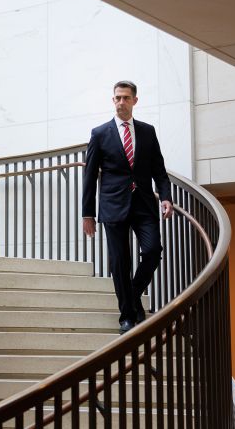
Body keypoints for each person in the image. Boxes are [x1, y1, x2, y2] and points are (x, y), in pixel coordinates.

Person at [82, 80, 173, 334]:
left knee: (153, 250)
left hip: (144, 204)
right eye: (117, 98)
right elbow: (89, 176)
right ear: (113, 101)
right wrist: (87, 214)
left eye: (125, 98)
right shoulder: (100, 133)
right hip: (113, 206)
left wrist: (165, 196)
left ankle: (132, 296)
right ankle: (126, 316)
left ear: (135, 100)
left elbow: (159, 170)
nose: (121, 102)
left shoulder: (147, 131)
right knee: (119, 261)